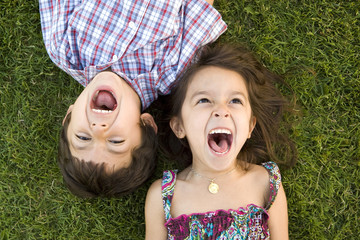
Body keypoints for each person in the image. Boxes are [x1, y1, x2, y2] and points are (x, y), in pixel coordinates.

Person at [39, 0, 227, 197]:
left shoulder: (64, 48)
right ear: (146, 124)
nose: (98, 129)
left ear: (68, 117)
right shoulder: (172, 71)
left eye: (83, 137)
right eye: (116, 141)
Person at [145, 44, 297, 239]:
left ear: (250, 126)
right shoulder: (164, 195)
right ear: (179, 127)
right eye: (204, 100)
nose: (221, 110)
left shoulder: (266, 182)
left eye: (235, 101)